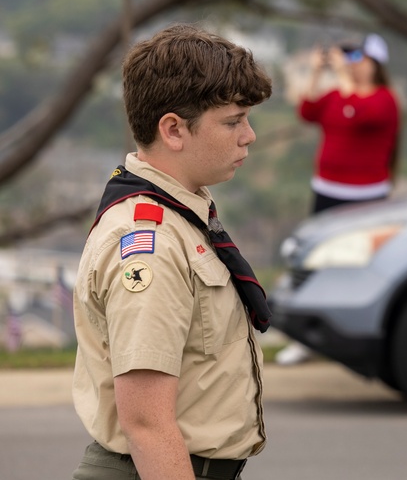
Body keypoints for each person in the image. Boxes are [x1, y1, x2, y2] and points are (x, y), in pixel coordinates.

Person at [71, 24, 273, 480]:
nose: (249, 136)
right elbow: (146, 423)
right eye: (233, 121)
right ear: (174, 129)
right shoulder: (153, 244)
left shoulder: (182, 215)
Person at [298, 32, 400, 213]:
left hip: (367, 194)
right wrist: (315, 72)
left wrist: (342, 75)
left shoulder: (385, 99)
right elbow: (307, 112)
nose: (352, 64)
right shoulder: (336, 95)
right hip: (326, 189)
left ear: (375, 64)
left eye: (358, 57)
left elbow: (359, 115)